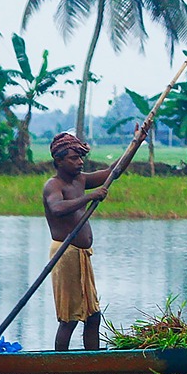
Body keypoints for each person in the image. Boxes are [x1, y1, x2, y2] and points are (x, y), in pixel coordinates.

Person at [43, 129, 145, 351]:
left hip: (82, 255)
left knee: (93, 316)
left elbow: (112, 171)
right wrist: (90, 196)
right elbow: (57, 208)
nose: (79, 162)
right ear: (59, 161)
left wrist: (135, 143)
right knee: (69, 319)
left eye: (81, 157)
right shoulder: (54, 185)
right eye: (73, 158)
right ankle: (60, 369)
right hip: (65, 254)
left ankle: (92, 364)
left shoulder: (79, 180)